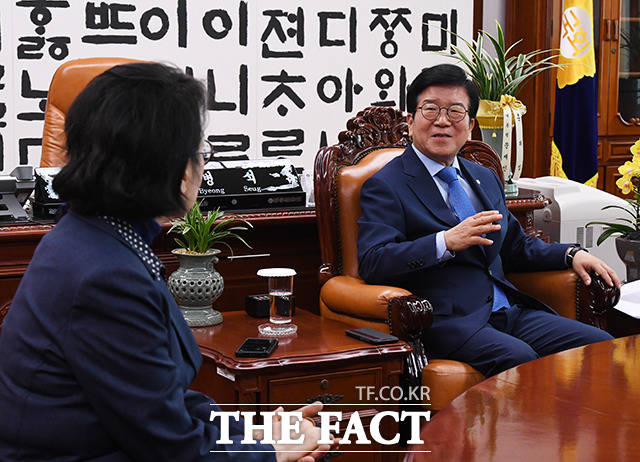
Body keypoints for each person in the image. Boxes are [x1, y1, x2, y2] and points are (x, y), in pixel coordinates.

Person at [0, 62, 328, 461]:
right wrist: (269, 453)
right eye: (199, 151)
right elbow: (170, 446)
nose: (201, 163)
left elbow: (156, 397)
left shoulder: (94, 238)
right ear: (168, 166)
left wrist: (248, 431)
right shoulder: (105, 277)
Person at [357, 63, 619, 378]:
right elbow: (373, 261)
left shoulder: (483, 177)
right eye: (430, 110)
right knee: (521, 360)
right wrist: (444, 242)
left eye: (455, 112)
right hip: (449, 321)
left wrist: (571, 254)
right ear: (411, 122)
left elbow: (516, 247)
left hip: (509, 311)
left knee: (599, 346)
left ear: (470, 125)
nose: (442, 121)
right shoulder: (386, 184)